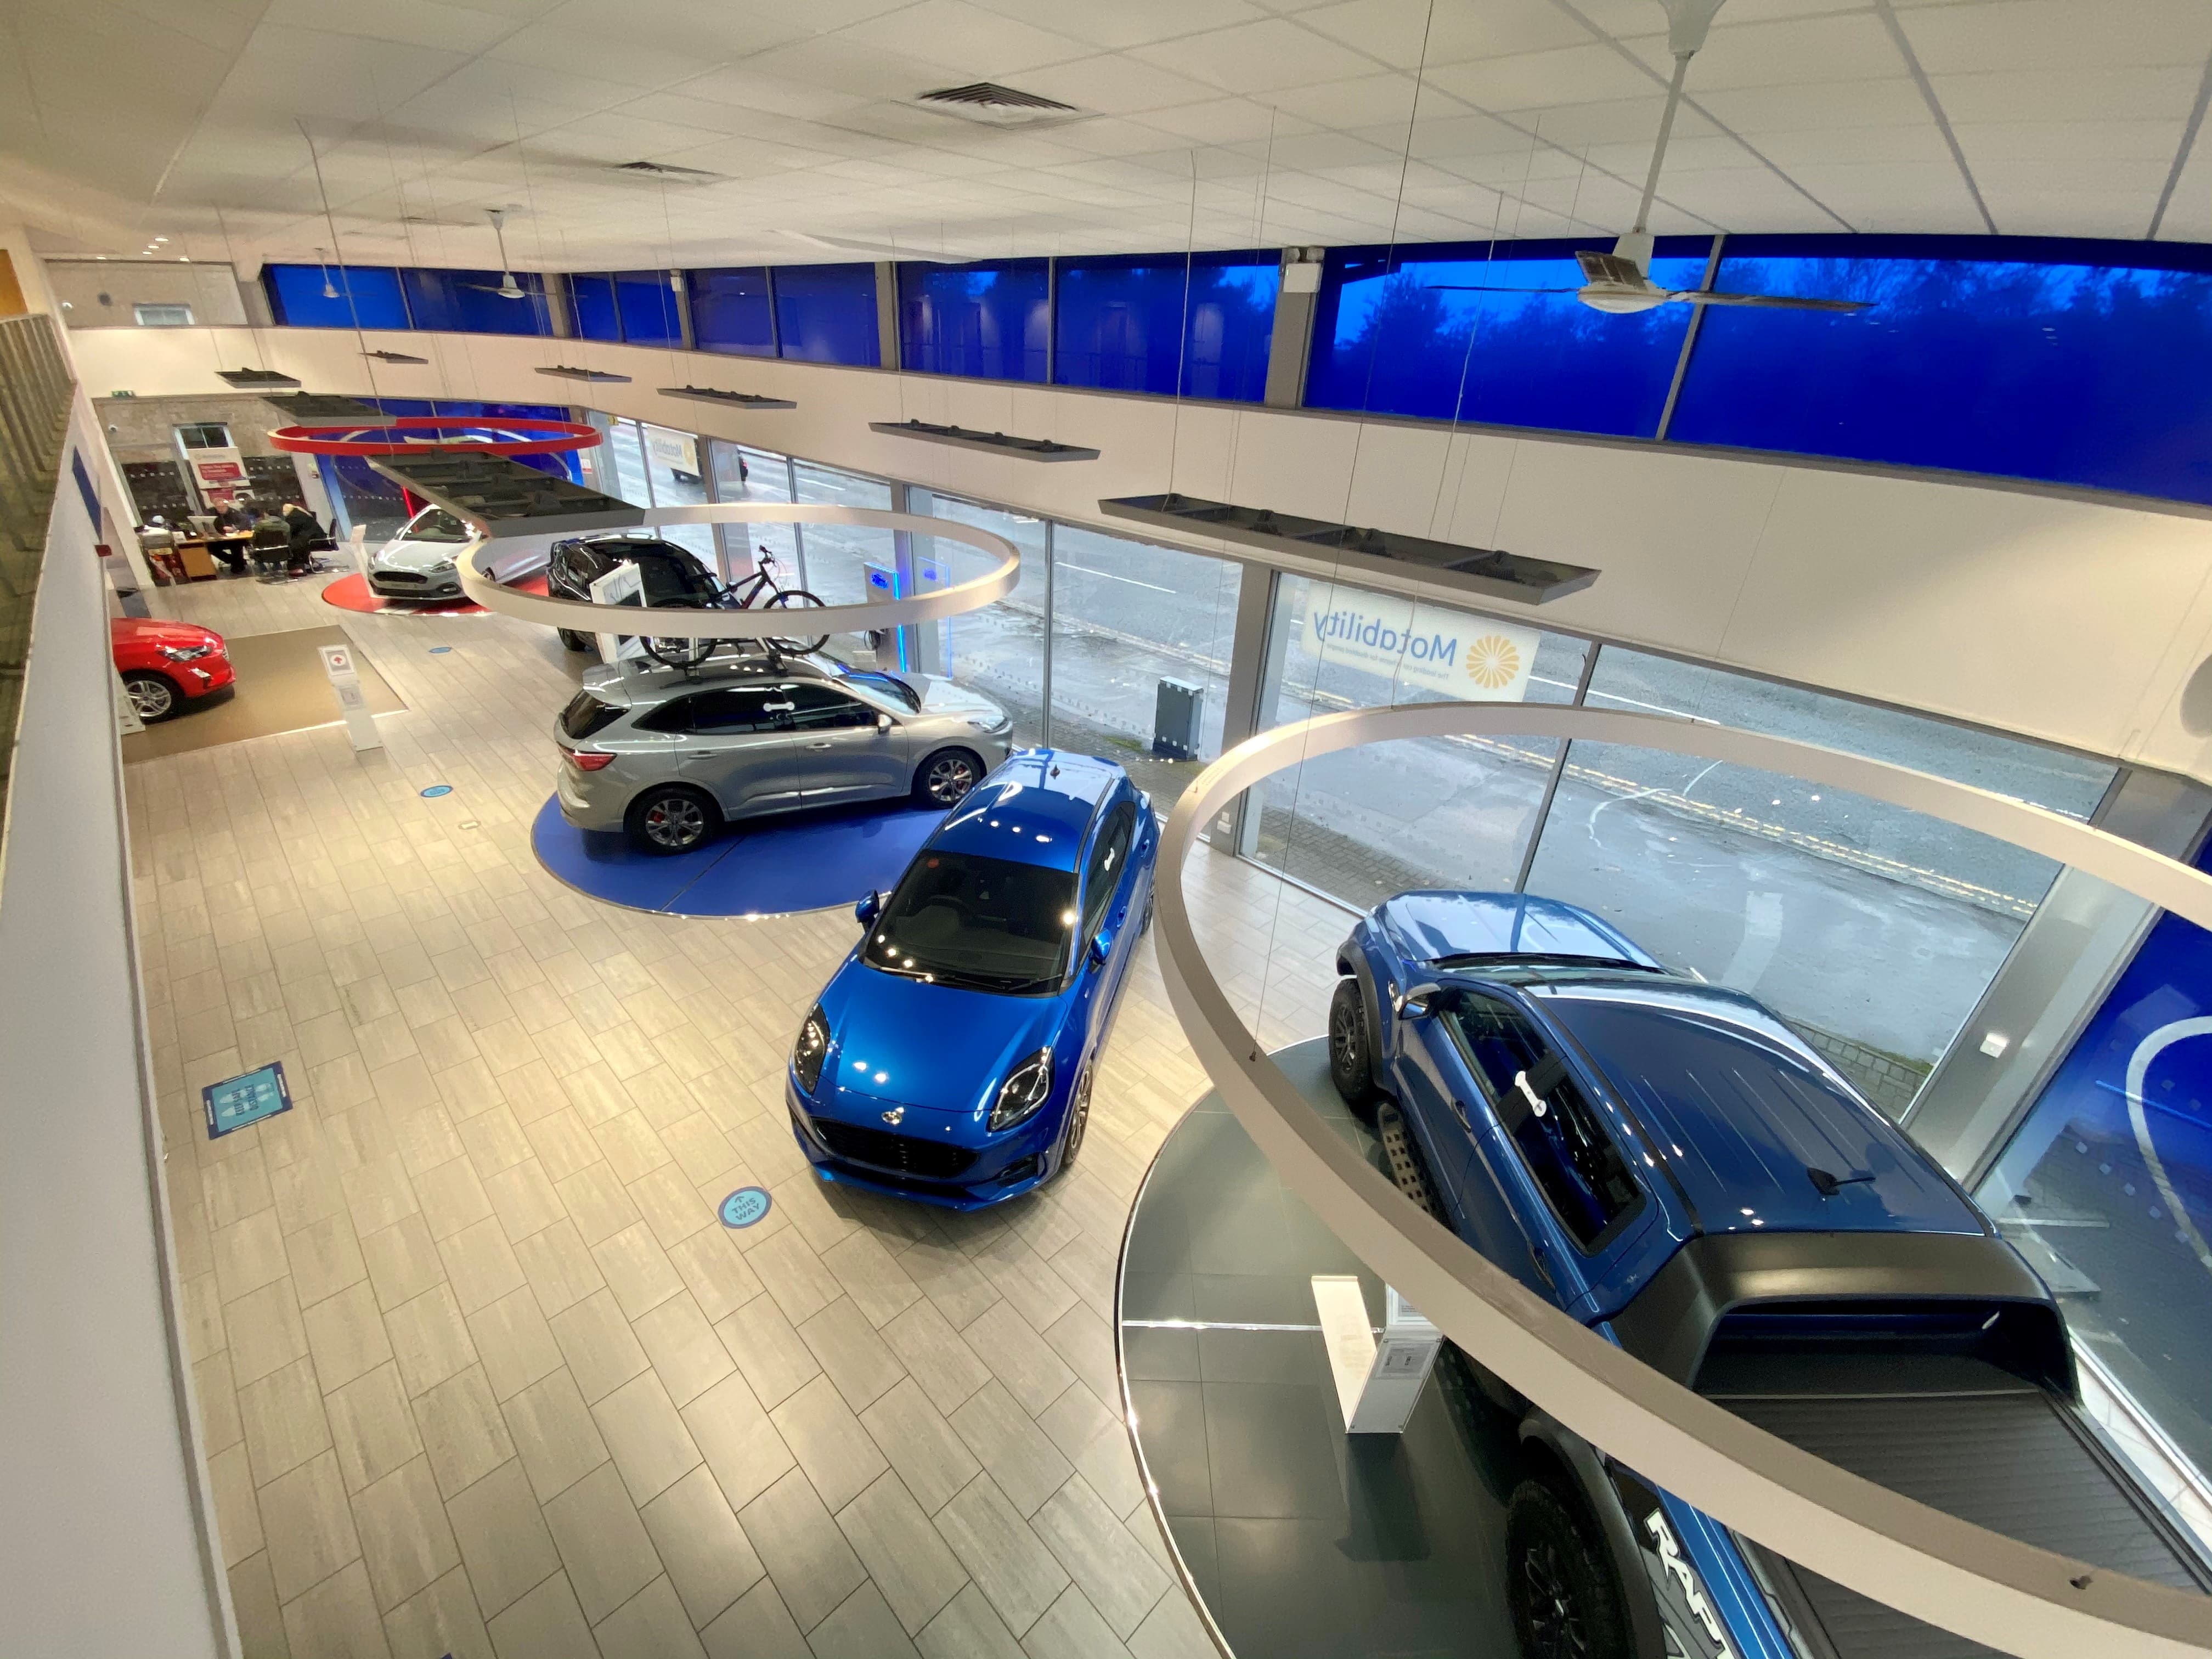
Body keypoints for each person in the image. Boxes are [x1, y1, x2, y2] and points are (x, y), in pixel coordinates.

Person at [250, 508, 292, 579]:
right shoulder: (286, 525)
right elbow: (288, 538)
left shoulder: (261, 524)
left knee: (259, 549)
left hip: (264, 553)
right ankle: (278, 568)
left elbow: (254, 538)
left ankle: (264, 571)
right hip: (283, 552)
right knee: (276, 547)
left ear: (267, 514)